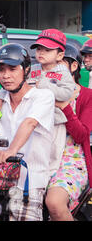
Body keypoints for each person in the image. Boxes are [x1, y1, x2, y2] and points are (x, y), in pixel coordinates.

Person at [0, 43, 56, 221]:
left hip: (30, 180)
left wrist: (10, 151)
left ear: (26, 70)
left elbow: (29, 123)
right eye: (1, 69)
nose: (6, 75)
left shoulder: (42, 97)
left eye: (12, 69)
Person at [0, 29, 75, 176]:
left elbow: (66, 93)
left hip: (55, 120)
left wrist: (44, 86)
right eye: (39, 49)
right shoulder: (33, 69)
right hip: (33, 117)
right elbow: (18, 85)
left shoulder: (63, 72)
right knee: (34, 149)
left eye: (47, 50)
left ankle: (50, 177)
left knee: (54, 152)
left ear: (60, 55)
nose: (41, 53)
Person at [45, 44, 92, 221]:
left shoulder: (87, 96)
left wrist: (64, 107)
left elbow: (81, 135)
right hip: (41, 158)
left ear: (74, 67)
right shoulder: (42, 93)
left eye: (60, 65)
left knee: (55, 203)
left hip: (70, 162)